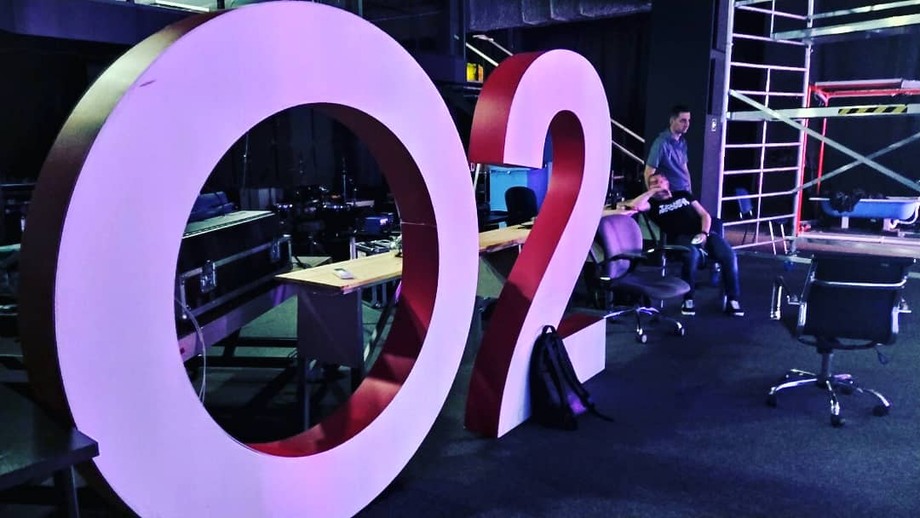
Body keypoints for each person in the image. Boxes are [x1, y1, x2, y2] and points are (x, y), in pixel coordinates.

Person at [627, 174, 744, 317]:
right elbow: (635, 205)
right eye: (653, 182)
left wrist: (704, 233)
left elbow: (705, 215)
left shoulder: (683, 195)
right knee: (691, 256)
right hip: (680, 238)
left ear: (668, 183)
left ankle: (733, 299)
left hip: (704, 232)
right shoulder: (652, 204)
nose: (658, 184)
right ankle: (688, 299)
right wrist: (652, 192)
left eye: (661, 181)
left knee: (729, 256)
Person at [644, 104, 692, 192]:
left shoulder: (682, 142)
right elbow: (648, 172)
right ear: (672, 121)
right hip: (673, 195)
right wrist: (652, 195)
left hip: (685, 193)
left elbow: (684, 169)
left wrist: (690, 192)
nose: (687, 124)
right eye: (683, 121)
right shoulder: (661, 143)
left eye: (688, 120)